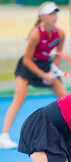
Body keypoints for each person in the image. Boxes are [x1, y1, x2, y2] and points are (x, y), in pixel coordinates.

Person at [0, 2, 67, 149]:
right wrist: (42, 74)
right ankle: (3, 137)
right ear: (42, 16)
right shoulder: (36, 34)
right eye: (50, 14)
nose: (53, 17)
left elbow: (57, 55)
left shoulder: (60, 34)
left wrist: (52, 71)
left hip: (46, 65)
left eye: (55, 13)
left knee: (65, 98)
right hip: (27, 67)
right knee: (18, 99)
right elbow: (27, 60)